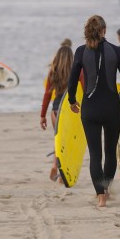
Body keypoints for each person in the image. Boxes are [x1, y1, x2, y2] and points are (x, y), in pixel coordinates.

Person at [68, 15, 120, 208]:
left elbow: (72, 80)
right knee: (110, 152)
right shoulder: (116, 51)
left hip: (90, 108)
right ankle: (106, 188)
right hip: (112, 108)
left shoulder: (80, 51)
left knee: (95, 154)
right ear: (104, 30)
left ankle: (100, 196)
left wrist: (71, 100)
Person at [40, 45, 74, 182]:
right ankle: (62, 174)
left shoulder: (52, 72)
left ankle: (55, 165)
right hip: (70, 111)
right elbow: (84, 90)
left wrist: (42, 115)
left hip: (55, 111)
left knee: (58, 141)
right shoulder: (75, 71)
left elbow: (47, 95)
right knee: (69, 143)